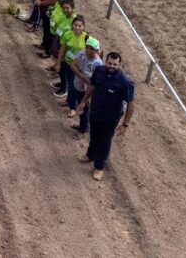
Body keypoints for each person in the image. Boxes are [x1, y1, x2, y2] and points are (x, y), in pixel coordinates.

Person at [78, 52, 135, 181]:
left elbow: (131, 104)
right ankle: (90, 155)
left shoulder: (125, 82)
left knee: (105, 141)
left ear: (120, 64)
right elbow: (92, 86)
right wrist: (83, 102)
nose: (112, 66)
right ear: (105, 62)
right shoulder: (99, 71)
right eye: (109, 63)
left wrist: (125, 124)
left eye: (115, 64)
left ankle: (99, 167)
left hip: (110, 118)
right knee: (94, 135)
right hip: (95, 111)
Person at [70, 37, 103, 133]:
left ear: (96, 50)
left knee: (84, 109)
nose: (88, 50)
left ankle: (83, 128)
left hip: (87, 90)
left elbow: (96, 84)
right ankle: (82, 125)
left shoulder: (98, 64)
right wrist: (81, 76)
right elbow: (72, 65)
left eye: (91, 48)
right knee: (81, 107)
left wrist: (87, 97)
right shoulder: (82, 53)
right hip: (78, 84)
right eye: (87, 47)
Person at [54, 13, 87, 108]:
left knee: (73, 86)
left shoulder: (86, 38)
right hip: (67, 62)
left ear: (83, 27)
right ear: (72, 25)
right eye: (75, 25)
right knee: (67, 79)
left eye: (80, 26)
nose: (77, 28)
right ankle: (69, 99)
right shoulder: (67, 34)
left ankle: (72, 105)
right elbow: (63, 49)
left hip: (78, 67)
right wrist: (58, 62)